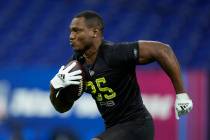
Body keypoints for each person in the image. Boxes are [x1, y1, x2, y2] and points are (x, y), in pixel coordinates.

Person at [49, 10, 193, 140]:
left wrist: (181, 94)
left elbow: (163, 50)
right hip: (113, 128)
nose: (71, 36)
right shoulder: (76, 64)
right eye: (70, 31)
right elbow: (62, 108)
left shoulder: (114, 53)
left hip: (136, 125)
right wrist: (54, 87)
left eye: (76, 31)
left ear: (94, 32)